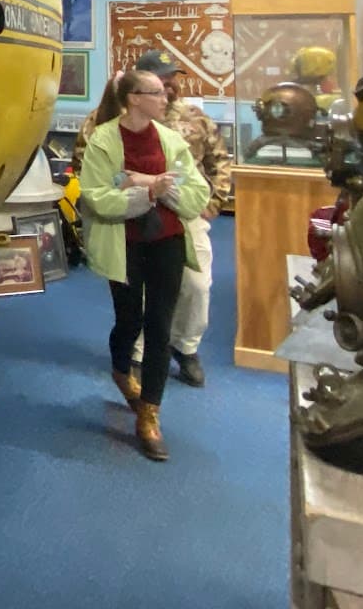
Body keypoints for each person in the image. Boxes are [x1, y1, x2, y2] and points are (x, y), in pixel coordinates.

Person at [72, 50, 232, 387]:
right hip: (128, 216)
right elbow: (86, 165)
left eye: (171, 77)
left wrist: (212, 204)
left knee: (197, 287)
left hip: (183, 213)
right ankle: (141, 354)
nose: (169, 84)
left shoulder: (193, 119)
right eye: (160, 79)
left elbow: (219, 164)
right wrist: (128, 187)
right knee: (140, 298)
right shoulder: (103, 121)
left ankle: (186, 347)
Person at [78, 68, 210, 460]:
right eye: (155, 92)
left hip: (167, 242)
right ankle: (122, 371)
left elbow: (195, 193)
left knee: (160, 327)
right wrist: (150, 190)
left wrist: (139, 182)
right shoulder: (103, 139)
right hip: (126, 246)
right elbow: (97, 198)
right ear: (133, 98)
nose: (165, 97)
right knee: (129, 320)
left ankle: (149, 414)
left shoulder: (170, 139)